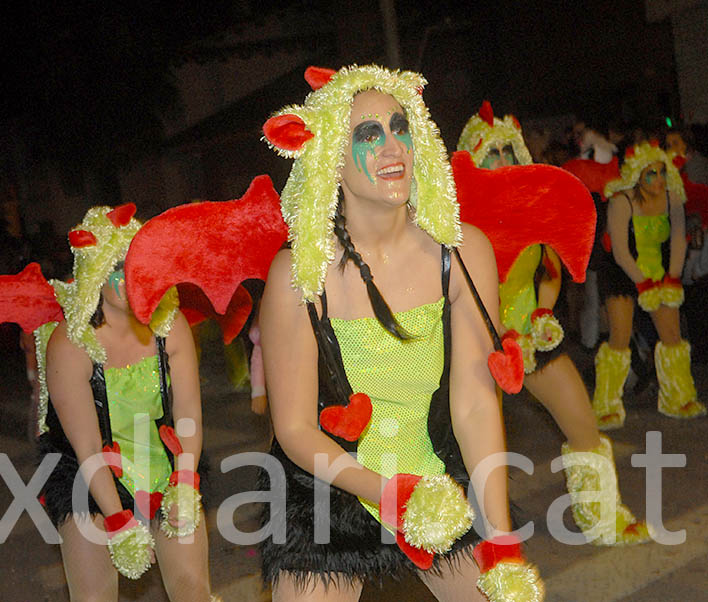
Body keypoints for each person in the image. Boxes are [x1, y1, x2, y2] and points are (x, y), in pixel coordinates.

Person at [258, 65, 542, 602]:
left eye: (399, 126)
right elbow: (294, 430)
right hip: (332, 487)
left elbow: (476, 407)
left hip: (437, 479)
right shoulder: (299, 275)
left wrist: (501, 542)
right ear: (329, 160)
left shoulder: (462, 253)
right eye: (369, 134)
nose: (392, 146)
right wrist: (390, 496)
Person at [456, 102, 649, 545]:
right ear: (473, 160)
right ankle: (463, 538)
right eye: (492, 153)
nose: (502, 162)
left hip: (530, 337)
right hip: (475, 347)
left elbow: (551, 271)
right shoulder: (455, 222)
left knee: (582, 423)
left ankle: (602, 519)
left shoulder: (532, 206)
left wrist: (542, 312)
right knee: (466, 451)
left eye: (509, 152)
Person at [35, 206, 214, 601]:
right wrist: (117, 519)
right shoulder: (70, 343)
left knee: (193, 593)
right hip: (91, 476)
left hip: (164, 465)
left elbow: (189, 417)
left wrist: (184, 483)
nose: (135, 278)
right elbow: (86, 448)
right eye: (120, 267)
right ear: (96, 273)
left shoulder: (172, 325)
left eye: (143, 264)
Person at [594, 141, 706, 426]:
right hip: (623, 273)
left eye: (662, 172)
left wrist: (672, 277)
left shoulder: (673, 198)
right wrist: (641, 283)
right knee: (619, 337)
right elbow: (619, 250)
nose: (658, 179)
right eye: (651, 174)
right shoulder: (622, 201)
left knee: (672, 336)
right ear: (637, 175)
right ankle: (606, 404)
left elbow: (678, 241)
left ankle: (678, 398)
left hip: (658, 273)